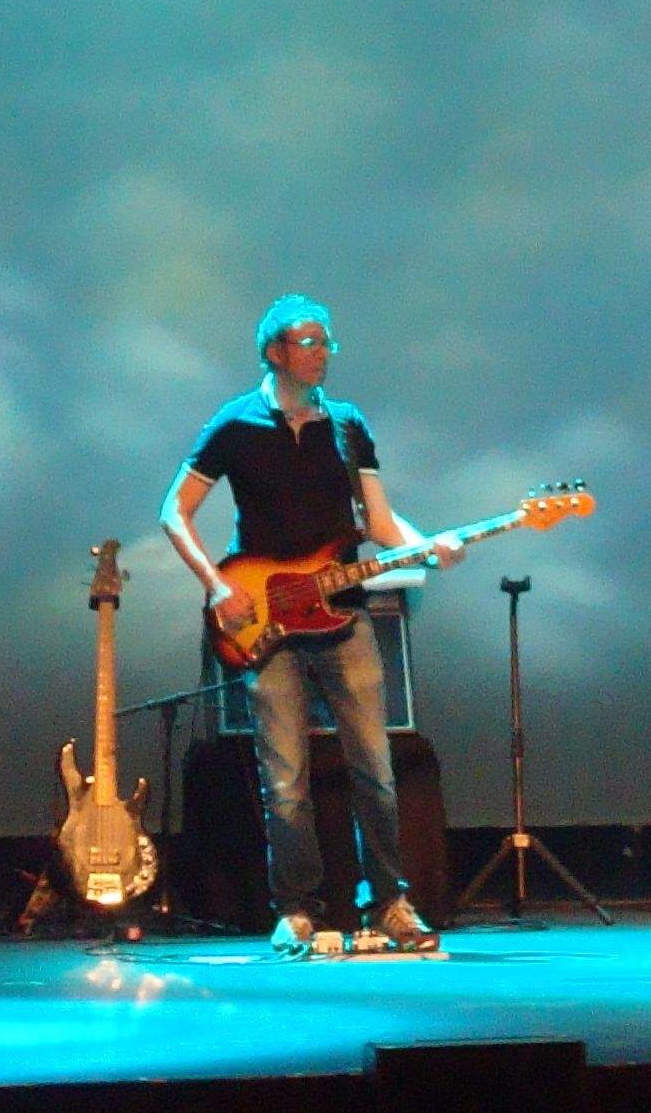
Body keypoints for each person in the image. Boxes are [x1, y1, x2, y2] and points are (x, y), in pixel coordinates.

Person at [160, 295, 459, 953]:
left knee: (375, 768)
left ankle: (388, 902)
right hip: (267, 625)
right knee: (286, 779)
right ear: (276, 351)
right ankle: (296, 907)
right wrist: (216, 588)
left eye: (328, 341)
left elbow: (380, 524)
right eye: (311, 341)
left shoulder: (348, 426)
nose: (324, 352)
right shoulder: (234, 424)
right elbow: (173, 511)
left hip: (343, 616)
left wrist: (429, 542)